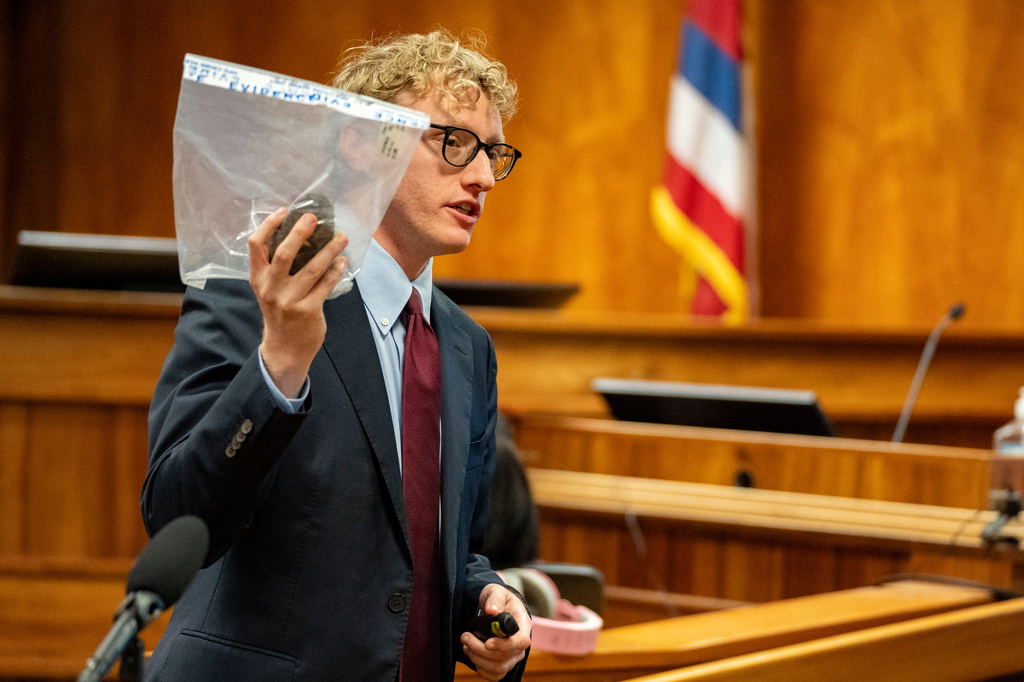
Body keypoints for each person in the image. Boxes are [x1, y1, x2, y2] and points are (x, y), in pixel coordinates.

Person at [141, 30, 530, 682]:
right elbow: (178, 515)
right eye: (454, 144)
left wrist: (487, 602)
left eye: (493, 153)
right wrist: (280, 363)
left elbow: (441, 549)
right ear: (362, 142)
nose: (483, 177)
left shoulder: (467, 348)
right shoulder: (256, 291)